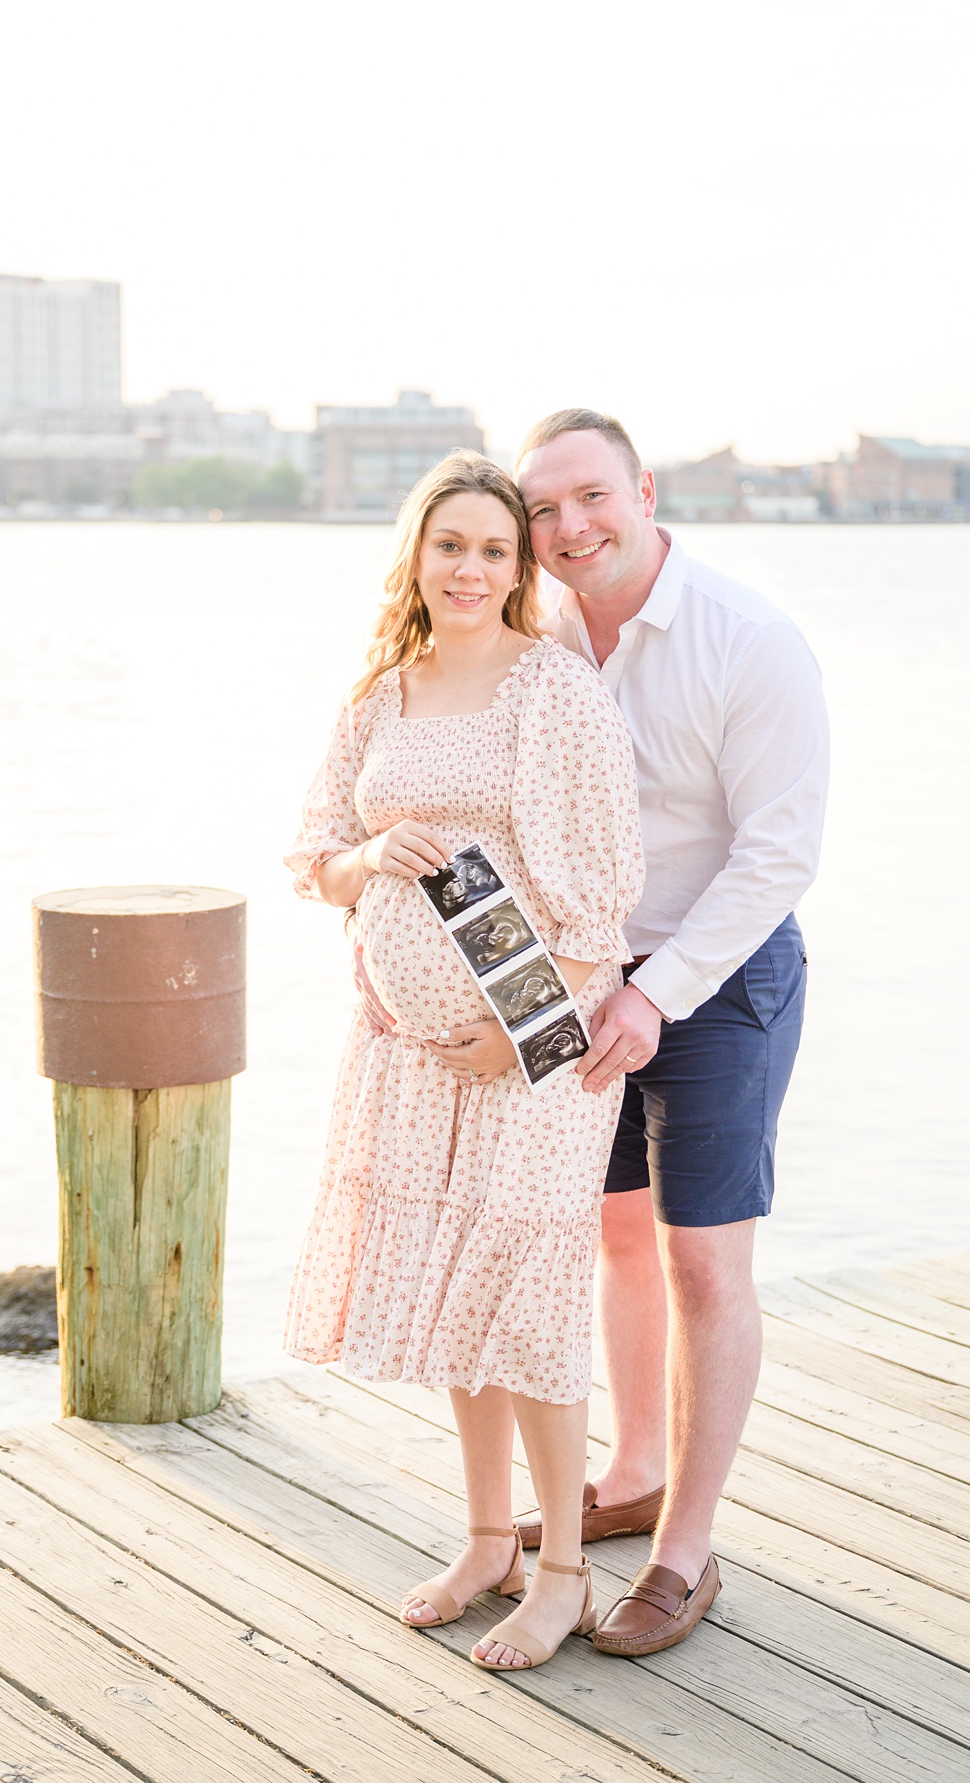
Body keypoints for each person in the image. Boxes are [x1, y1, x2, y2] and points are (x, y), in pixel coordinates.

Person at [283, 451, 644, 1672]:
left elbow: (604, 909)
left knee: (529, 1295)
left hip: (533, 1052)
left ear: (522, 565)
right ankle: (488, 1538)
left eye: (497, 549)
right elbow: (315, 857)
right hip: (404, 1054)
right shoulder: (382, 693)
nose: (472, 570)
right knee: (454, 1289)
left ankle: (562, 1571)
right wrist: (372, 858)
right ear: (418, 556)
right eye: (453, 547)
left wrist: (523, 1033)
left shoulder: (556, 693)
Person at [499, 408, 827, 1657]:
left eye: (591, 497)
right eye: (544, 511)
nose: (570, 528)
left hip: (723, 974)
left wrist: (656, 992)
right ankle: (631, 1469)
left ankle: (687, 1549)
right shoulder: (532, 637)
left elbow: (779, 856)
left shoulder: (749, 641)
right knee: (612, 1231)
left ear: (642, 490)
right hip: (582, 979)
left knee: (703, 1262)